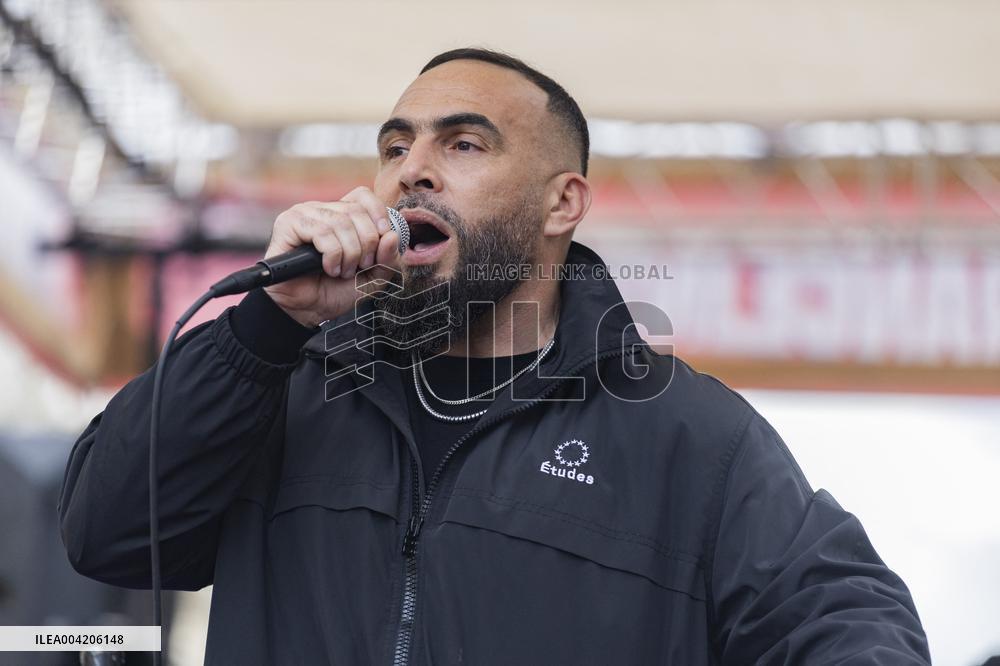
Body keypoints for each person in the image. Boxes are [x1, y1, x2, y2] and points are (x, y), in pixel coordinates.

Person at [59, 48, 930, 664]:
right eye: (396, 146)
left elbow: (843, 616)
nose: (412, 171)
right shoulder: (287, 383)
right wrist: (266, 329)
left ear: (563, 203)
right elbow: (107, 535)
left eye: (463, 144)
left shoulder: (684, 432)